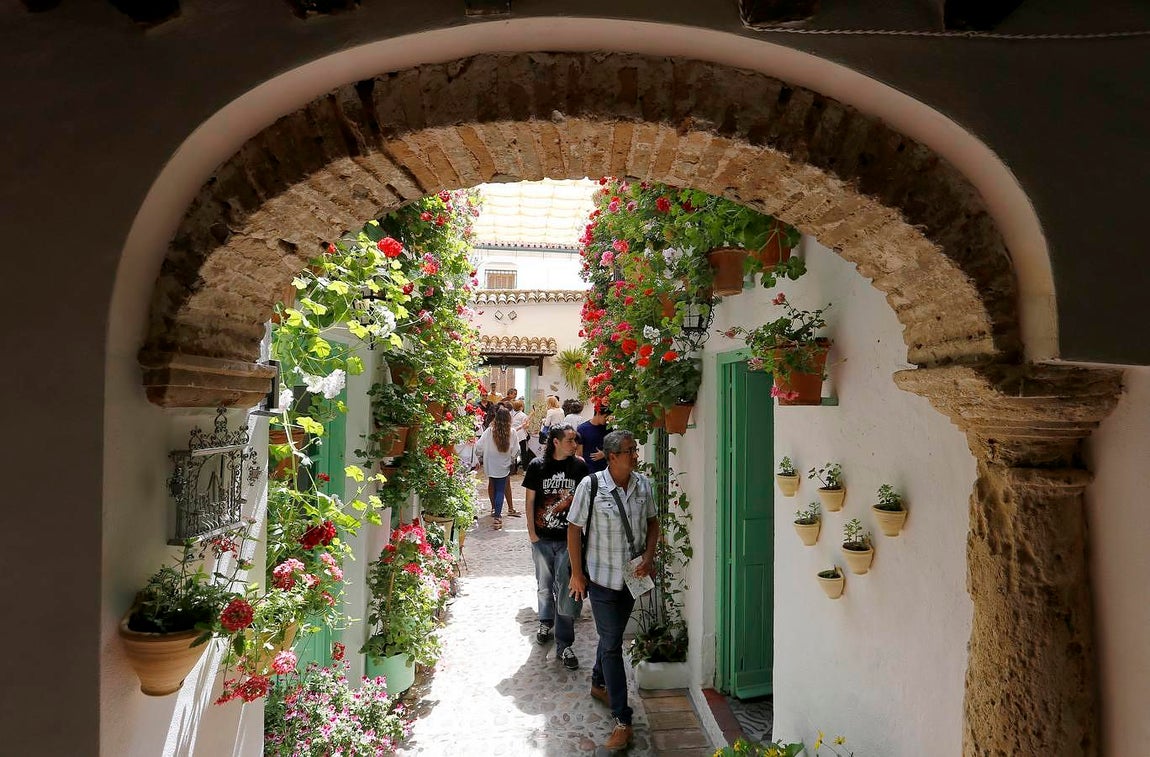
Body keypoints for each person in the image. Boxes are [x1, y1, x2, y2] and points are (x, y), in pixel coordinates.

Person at [567, 430, 659, 752]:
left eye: (635, 449)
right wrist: (577, 574)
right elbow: (574, 529)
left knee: (612, 637)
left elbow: (652, 523)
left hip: (631, 579)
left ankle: (598, 682)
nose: (635, 455)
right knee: (612, 646)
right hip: (602, 580)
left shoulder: (643, 485)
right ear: (613, 457)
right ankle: (623, 719)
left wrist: (649, 557)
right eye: (630, 450)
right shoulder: (590, 486)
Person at [522, 424, 589, 670]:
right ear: (556, 442)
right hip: (542, 538)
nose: (575, 444)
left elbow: (586, 502)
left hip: (568, 541)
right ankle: (545, 621)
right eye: (570, 440)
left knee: (565, 589)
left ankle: (564, 644)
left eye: (575, 440)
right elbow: (530, 501)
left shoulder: (579, 467)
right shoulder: (537, 466)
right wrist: (532, 533)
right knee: (544, 585)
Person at [475, 407, 518, 529]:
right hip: (503, 464)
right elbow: (516, 450)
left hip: (490, 463)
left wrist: (478, 455)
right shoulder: (512, 432)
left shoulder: (489, 431)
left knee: (492, 485)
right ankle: (498, 517)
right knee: (500, 489)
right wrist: (512, 458)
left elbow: (479, 447)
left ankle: (494, 509)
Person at [576, 403, 612, 474]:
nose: (607, 419)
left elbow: (613, 447)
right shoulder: (582, 429)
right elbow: (579, 453)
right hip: (588, 470)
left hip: (605, 470)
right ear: (598, 413)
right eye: (605, 417)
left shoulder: (608, 428)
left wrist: (604, 453)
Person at [510, 399, 530, 475]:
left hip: (512, 434)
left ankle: (513, 469)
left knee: (513, 451)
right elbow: (526, 426)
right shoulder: (523, 415)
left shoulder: (510, 414)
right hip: (521, 435)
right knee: (523, 452)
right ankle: (525, 470)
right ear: (521, 407)